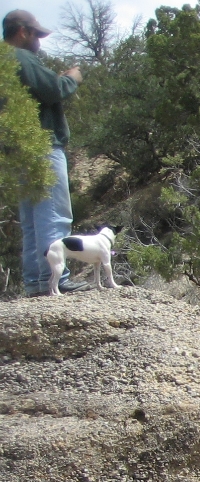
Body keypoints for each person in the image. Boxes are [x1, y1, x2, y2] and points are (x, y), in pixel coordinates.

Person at [4, 10, 87, 297]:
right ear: (23, 32)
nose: (39, 41)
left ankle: (37, 282)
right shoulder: (21, 57)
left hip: (18, 150)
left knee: (31, 220)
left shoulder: (3, 62)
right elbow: (52, 90)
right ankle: (56, 278)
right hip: (42, 144)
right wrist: (72, 78)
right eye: (37, 34)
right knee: (53, 214)